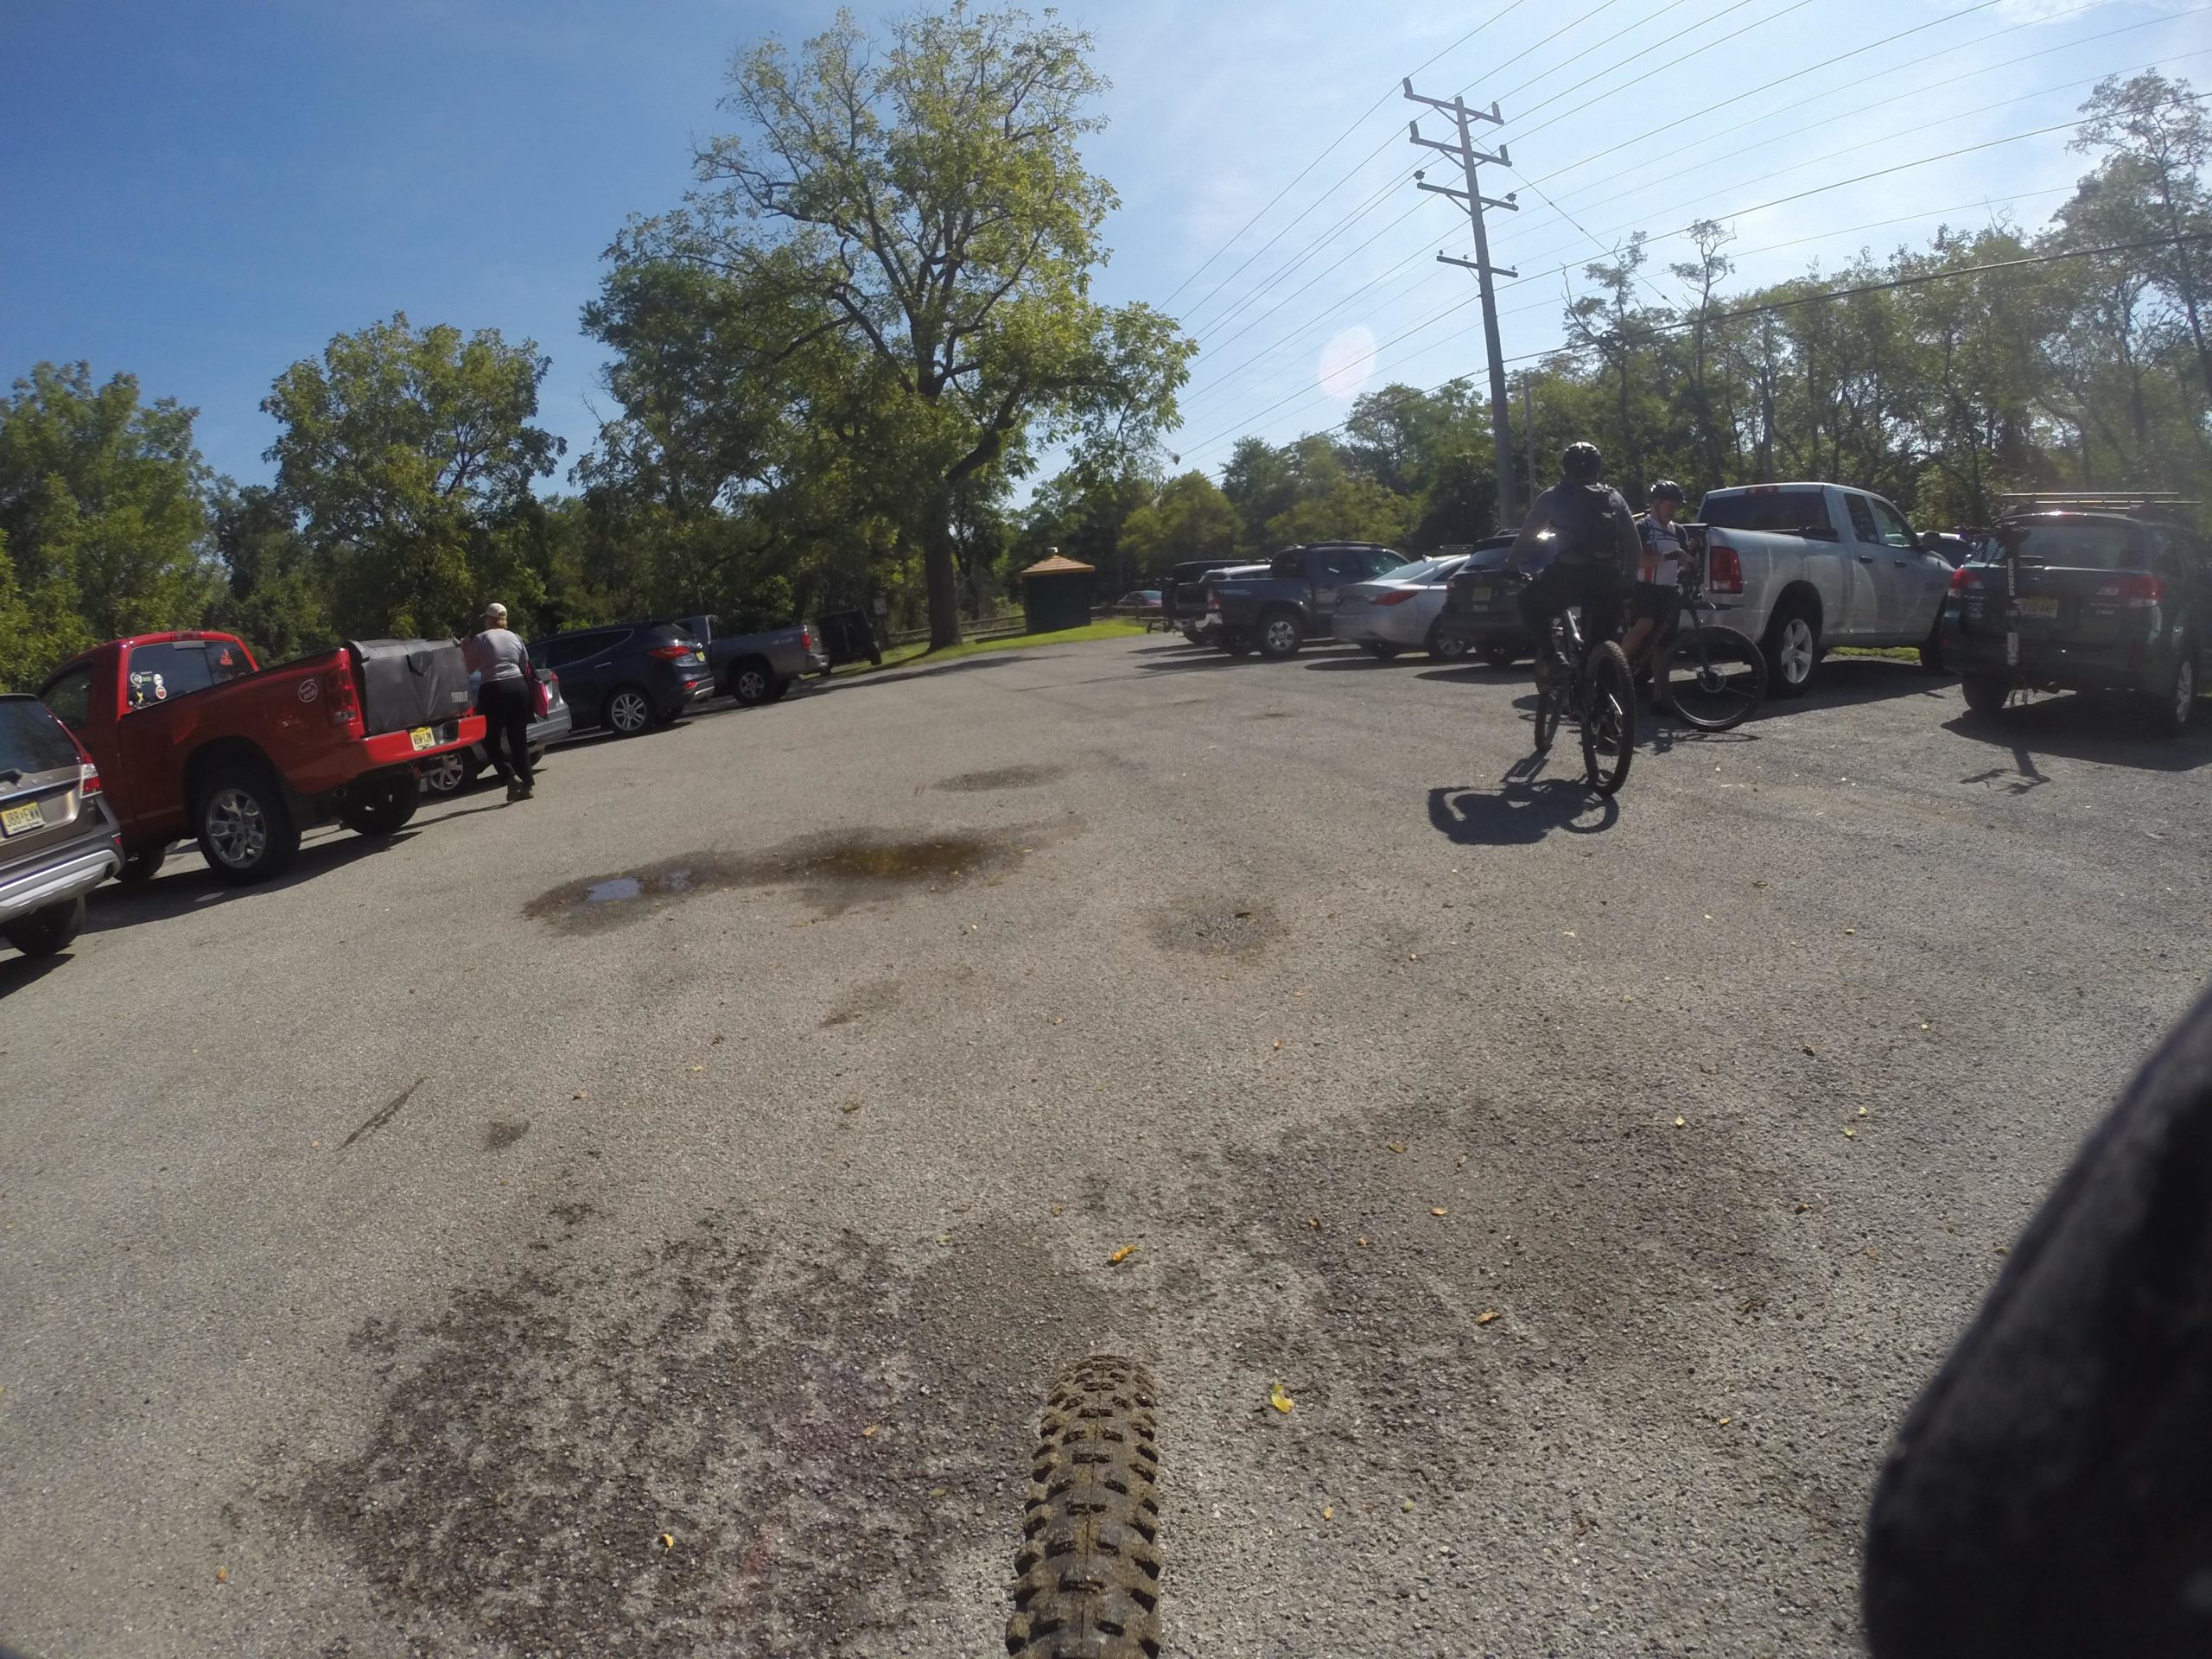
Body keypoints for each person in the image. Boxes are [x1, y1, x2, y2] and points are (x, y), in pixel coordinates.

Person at [1508, 442, 1641, 691]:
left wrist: (1511, 565)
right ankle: (1605, 708)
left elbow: (1526, 536)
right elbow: (1634, 548)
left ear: (1565, 469)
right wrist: (1627, 584)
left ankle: (1552, 656)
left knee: (1528, 601)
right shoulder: (1613, 497)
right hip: (1607, 579)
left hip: (1568, 576)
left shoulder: (1552, 497)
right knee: (1601, 648)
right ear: (1598, 468)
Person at [461, 601, 535, 802]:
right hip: (518, 687)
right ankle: (527, 784)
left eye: (485, 618)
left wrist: (465, 650)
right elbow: (524, 664)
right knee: (518, 738)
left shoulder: (481, 639)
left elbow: (469, 669)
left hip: (494, 689)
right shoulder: (515, 637)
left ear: (490, 620)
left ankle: (509, 776)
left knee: (488, 738)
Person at [1621, 480, 1691, 674]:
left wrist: (1691, 559)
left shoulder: (1678, 531)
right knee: (1644, 625)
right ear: (1656, 503)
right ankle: (1616, 666)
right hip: (1645, 588)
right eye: (1669, 506)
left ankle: (1660, 698)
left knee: (1665, 645)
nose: (1673, 511)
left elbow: (1687, 561)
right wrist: (1670, 555)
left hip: (1669, 591)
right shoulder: (1642, 527)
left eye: (1676, 507)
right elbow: (1641, 561)